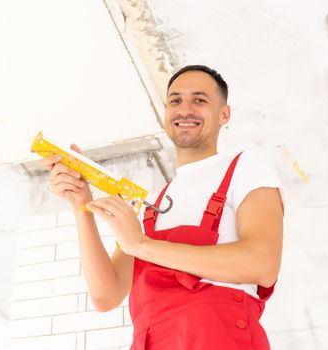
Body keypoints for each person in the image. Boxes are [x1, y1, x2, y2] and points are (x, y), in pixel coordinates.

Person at [41, 65, 284, 349]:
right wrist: (81, 202)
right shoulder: (152, 204)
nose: (185, 109)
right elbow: (106, 296)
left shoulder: (245, 165)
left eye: (200, 100)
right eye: (175, 100)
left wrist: (142, 245)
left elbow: (262, 264)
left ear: (224, 114)